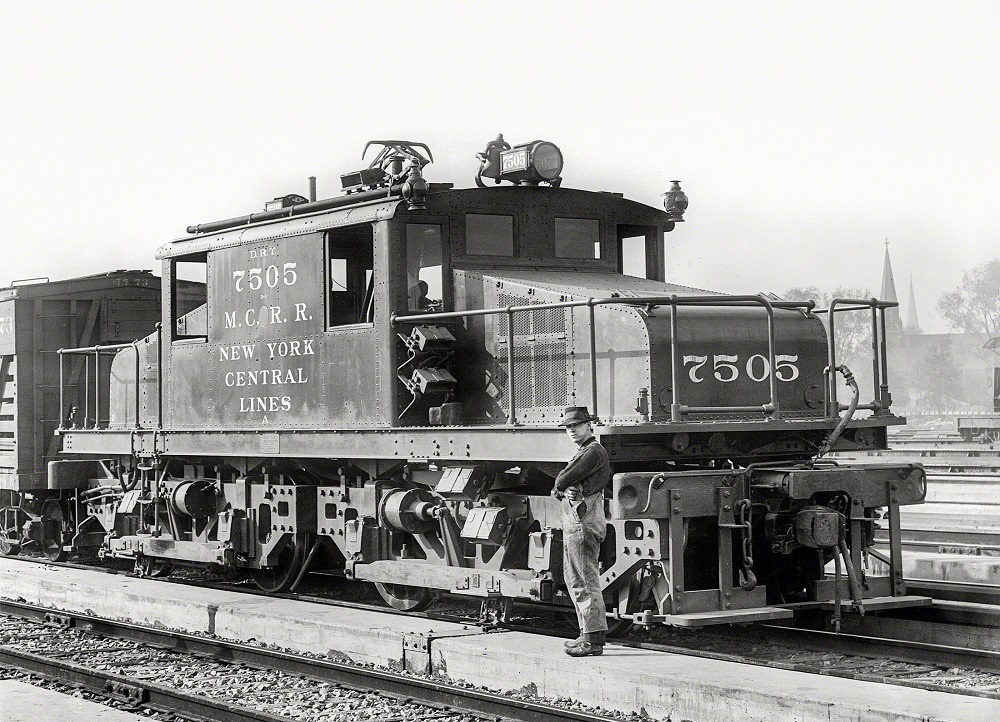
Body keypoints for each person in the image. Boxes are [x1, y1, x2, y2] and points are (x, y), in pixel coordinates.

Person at [552, 406, 610, 657]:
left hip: (583, 523)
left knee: (584, 580)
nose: (572, 430)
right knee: (577, 580)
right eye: (568, 427)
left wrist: (562, 486)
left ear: (589, 426)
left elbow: (563, 478)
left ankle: (593, 640)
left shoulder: (593, 451)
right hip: (580, 521)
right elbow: (568, 482)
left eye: (576, 425)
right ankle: (586, 635)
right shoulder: (586, 451)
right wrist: (566, 487)